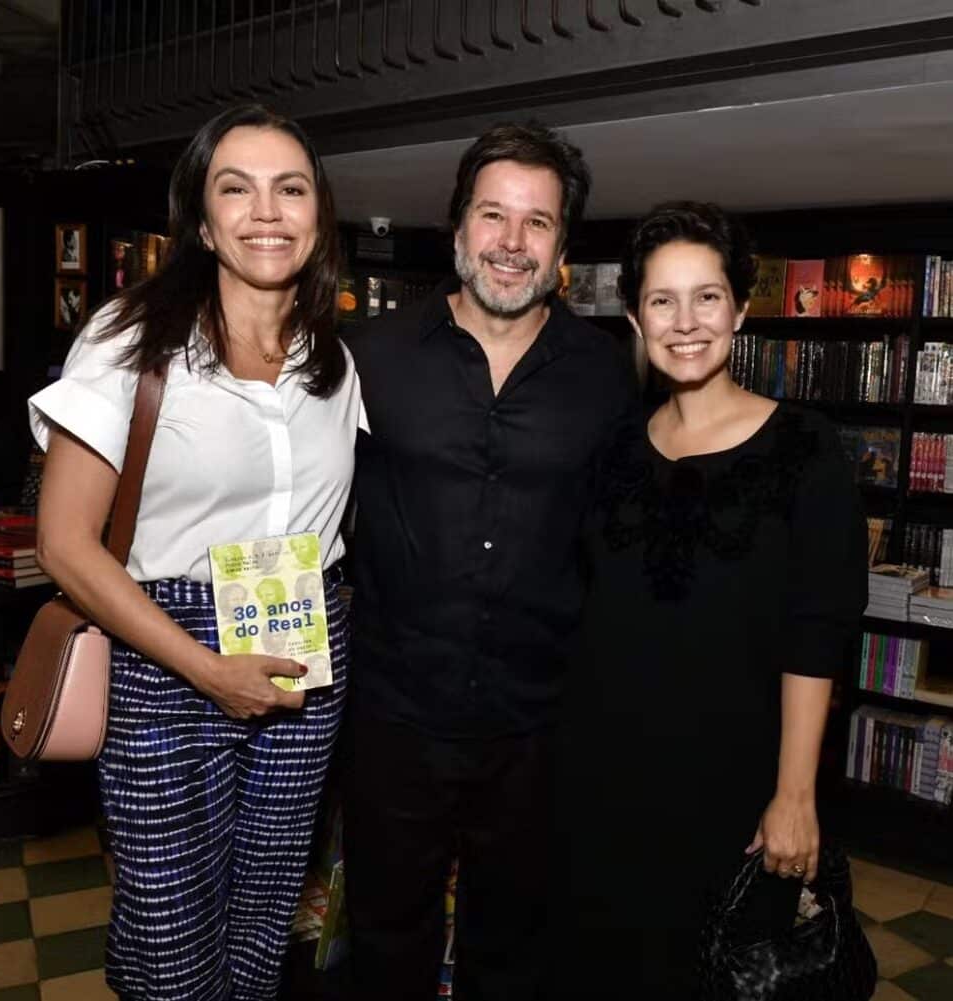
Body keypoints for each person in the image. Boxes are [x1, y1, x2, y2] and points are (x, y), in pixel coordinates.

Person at [28, 103, 364, 1001]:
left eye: (290, 188)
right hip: (161, 650)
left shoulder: (329, 357)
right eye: (237, 187)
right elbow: (62, 543)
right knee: (170, 931)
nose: (266, 210)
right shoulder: (128, 339)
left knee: (261, 923)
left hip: (305, 644)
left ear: (318, 213)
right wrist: (206, 667)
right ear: (202, 218)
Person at [548, 202, 868, 999]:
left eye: (707, 296)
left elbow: (816, 630)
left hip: (734, 795)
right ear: (634, 316)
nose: (685, 322)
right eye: (662, 300)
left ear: (741, 307)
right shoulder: (615, 447)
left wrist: (795, 794)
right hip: (604, 786)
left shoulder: (803, 447)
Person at [344, 121, 633, 1001]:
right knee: (386, 942)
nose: (512, 243)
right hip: (395, 716)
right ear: (457, 226)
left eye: (537, 223)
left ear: (563, 247)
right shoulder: (370, 360)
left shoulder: (610, 374)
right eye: (493, 216)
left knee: (515, 952)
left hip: (538, 729)